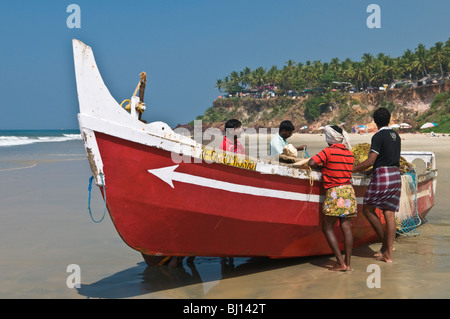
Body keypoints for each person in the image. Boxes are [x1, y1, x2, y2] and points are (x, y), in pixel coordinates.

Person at [352, 107, 401, 263]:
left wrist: (351, 169)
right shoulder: (396, 136)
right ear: (389, 119)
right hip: (395, 175)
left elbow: (371, 160)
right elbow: (388, 158)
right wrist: (371, 171)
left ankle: (385, 247)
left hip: (383, 176)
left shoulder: (378, 136)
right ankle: (388, 253)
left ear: (375, 121)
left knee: (367, 209)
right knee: (389, 214)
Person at [308, 125, 356, 271]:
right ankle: (348, 263)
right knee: (346, 227)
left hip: (335, 192)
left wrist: (323, 167)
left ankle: (340, 263)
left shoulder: (328, 152)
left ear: (329, 138)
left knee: (327, 227)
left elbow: (311, 163)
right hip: (349, 192)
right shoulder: (349, 154)